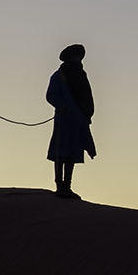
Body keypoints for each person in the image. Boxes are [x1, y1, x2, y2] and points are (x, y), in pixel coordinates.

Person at [45, 44, 95, 199]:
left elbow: (87, 96)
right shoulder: (58, 76)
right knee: (60, 152)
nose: (77, 59)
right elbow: (50, 96)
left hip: (78, 120)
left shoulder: (81, 75)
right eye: (75, 56)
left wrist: (85, 114)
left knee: (72, 152)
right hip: (64, 119)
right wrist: (64, 107)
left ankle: (67, 185)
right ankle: (60, 186)